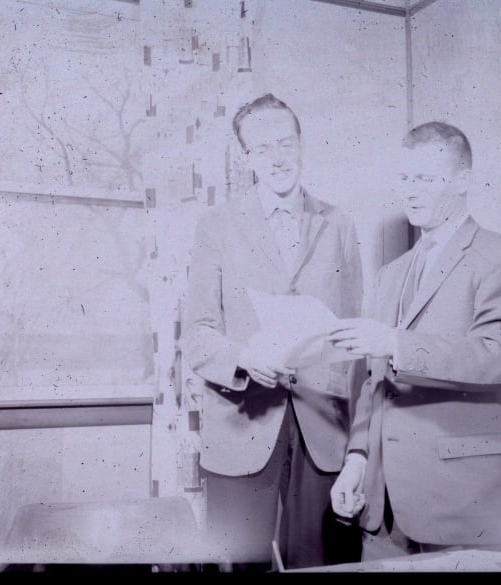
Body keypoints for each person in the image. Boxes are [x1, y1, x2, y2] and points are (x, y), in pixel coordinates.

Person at [328, 121, 501, 560]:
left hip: (463, 506)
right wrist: (357, 459)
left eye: (425, 178)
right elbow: (374, 385)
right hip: (383, 513)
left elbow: (500, 357)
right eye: (404, 178)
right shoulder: (391, 275)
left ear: (463, 181)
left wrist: (395, 343)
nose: (410, 191)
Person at [179, 93, 363, 569]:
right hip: (242, 425)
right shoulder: (215, 227)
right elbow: (197, 336)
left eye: (286, 142)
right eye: (263, 149)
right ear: (247, 159)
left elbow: (353, 334)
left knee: (325, 565)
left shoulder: (338, 224)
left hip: (322, 428)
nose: (278, 158)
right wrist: (243, 359)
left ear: (301, 143)